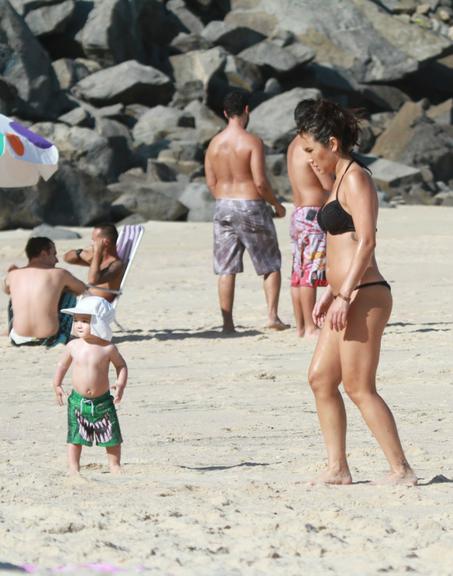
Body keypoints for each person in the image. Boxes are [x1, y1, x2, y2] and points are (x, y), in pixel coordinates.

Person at [296, 99, 416, 485]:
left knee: (359, 387)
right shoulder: (337, 181)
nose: (310, 160)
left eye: (312, 151)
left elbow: (366, 242)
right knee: (319, 378)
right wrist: (332, 293)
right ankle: (338, 468)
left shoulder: (356, 178)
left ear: (332, 143)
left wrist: (345, 294)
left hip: (365, 295)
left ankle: (401, 469)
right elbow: (341, 245)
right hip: (346, 295)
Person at [204, 90, 288, 333]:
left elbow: (210, 182)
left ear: (224, 113)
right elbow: (260, 182)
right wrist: (276, 204)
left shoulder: (214, 144)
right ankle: (272, 316)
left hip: (223, 205)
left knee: (226, 268)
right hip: (250, 204)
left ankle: (227, 324)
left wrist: (224, 199)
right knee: (270, 263)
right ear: (247, 111)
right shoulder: (252, 142)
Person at [53, 296, 128, 475]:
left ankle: (114, 465)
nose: (79, 324)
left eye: (85, 321)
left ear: (99, 323)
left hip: (102, 401)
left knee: (111, 436)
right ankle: (73, 467)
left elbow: (121, 365)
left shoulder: (107, 348)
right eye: (76, 320)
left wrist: (120, 383)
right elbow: (62, 365)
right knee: (75, 436)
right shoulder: (73, 346)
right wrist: (57, 383)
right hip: (78, 401)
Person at [287, 101, 334, 338]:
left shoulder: (292, 145)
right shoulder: (309, 146)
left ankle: (300, 326)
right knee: (310, 273)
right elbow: (326, 184)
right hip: (313, 213)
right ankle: (310, 326)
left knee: (298, 273)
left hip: (297, 213)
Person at [3, 236, 87, 347]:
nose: (56, 260)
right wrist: (61, 288)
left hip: (17, 339)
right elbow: (82, 289)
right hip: (48, 340)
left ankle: (11, 330)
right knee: (70, 294)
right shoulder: (59, 274)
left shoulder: (12, 275)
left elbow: (6, 290)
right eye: (54, 254)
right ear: (43, 254)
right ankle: (61, 334)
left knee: (14, 297)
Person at [63, 223, 124, 303]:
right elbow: (67, 258)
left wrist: (97, 253)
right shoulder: (98, 259)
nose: (91, 244)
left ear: (105, 242)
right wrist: (80, 252)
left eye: (94, 241)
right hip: (85, 302)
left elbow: (92, 281)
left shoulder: (116, 264)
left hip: (97, 307)